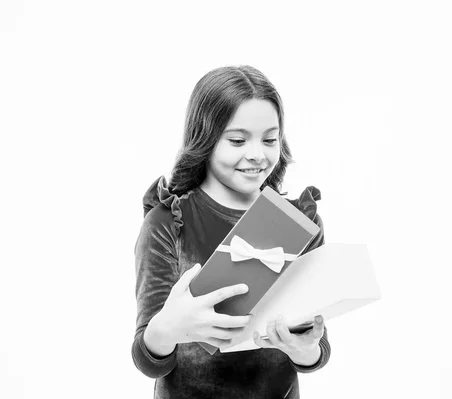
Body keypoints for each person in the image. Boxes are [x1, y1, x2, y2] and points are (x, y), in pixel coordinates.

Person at [132, 65, 330, 398]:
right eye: (237, 140)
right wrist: (168, 327)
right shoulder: (169, 223)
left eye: (270, 139)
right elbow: (147, 358)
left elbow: (317, 348)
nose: (257, 155)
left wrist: (302, 347)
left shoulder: (297, 222)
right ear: (205, 139)